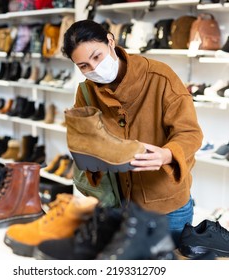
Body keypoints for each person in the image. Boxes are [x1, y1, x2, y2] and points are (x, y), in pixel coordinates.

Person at [62, 19, 203, 247]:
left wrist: (167, 155)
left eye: (97, 56)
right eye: (83, 66)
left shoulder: (161, 78)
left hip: (166, 209)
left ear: (110, 41)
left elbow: (190, 133)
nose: (94, 68)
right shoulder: (86, 92)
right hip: (118, 205)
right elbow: (85, 141)